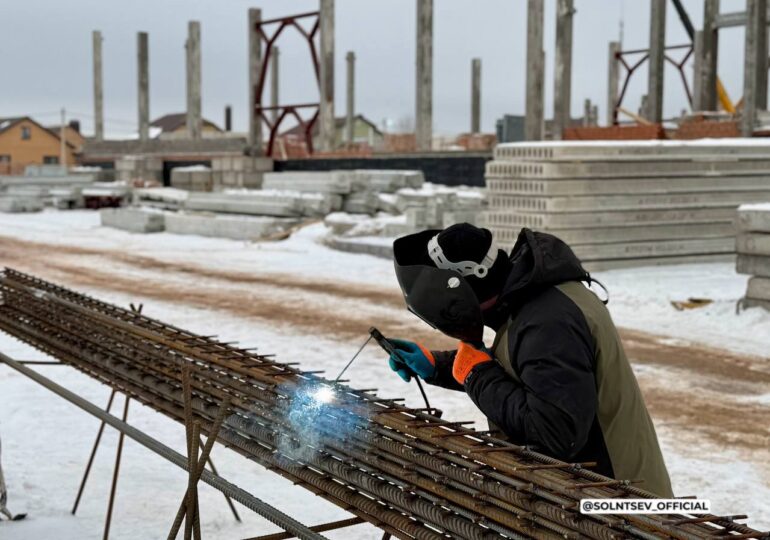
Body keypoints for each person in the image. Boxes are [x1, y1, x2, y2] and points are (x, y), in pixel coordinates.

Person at [387, 223, 673, 497]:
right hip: (588, 493)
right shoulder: (529, 299)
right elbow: (528, 373)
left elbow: (555, 433)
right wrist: (438, 366)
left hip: (618, 505)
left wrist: (477, 375)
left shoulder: (548, 322)